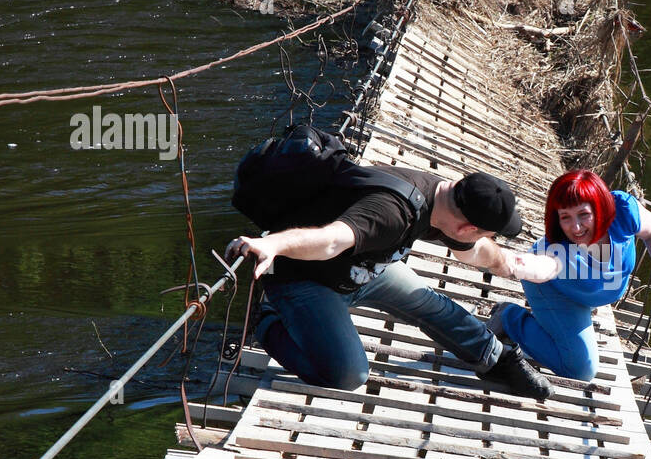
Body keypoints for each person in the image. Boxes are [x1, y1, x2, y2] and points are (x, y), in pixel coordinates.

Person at [225, 167, 558, 399]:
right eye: (484, 232)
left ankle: (497, 360)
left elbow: (476, 252)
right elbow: (332, 240)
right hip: (304, 278)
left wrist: (515, 266)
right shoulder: (392, 213)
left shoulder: (446, 201)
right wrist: (274, 246)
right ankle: (267, 320)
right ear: (466, 228)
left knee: (432, 305)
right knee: (348, 375)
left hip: (362, 272)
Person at [489, 170, 651, 382]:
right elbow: (543, 268)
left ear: (600, 208)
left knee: (572, 348)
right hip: (553, 290)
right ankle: (509, 318)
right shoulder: (556, 249)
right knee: (581, 369)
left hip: (587, 292)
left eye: (583, 214)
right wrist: (512, 263)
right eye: (565, 217)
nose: (576, 227)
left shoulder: (623, 212)